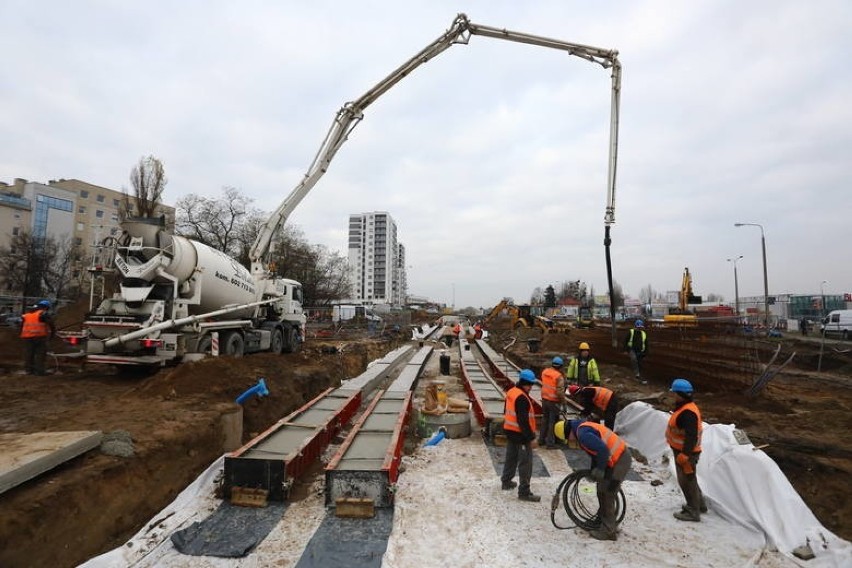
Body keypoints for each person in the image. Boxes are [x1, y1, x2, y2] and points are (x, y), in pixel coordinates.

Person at [554, 418, 632, 541]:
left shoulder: (583, 435)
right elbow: (596, 454)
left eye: (568, 439)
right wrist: (593, 470)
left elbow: (603, 450)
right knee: (601, 489)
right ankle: (602, 520)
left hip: (620, 461)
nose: (570, 442)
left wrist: (600, 470)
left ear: (568, 433)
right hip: (614, 460)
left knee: (608, 493)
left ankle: (609, 531)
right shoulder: (582, 429)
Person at [667, 378, 707, 522]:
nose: (673, 396)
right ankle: (700, 505)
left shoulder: (688, 412)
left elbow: (691, 435)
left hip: (686, 453)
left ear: (680, 394)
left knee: (686, 481)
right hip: (684, 451)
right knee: (690, 479)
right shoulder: (685, 407)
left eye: (674, 393)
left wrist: (685, 454)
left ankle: (692, 511)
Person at [500, 369, 541, 502]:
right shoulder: (522, 398)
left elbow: (506, 411)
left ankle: (506, 481)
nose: (531, 387)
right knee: (525, 463)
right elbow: (523, 421)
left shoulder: (512, 391)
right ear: (524, 383)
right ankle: (524, 492)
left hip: (510, 431)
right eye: (529, 385)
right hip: (521, 435)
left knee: (511, 457)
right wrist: (531, 438)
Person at [19, 300, 56, 376]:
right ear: (46, 307)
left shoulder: (27, 315)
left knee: (29, 354)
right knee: (40, 354)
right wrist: (52, 334)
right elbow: (51, 324)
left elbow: (22, 326)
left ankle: (29, 371)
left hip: (27, 337)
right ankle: (40, 371)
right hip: (39, 337)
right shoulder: (43, 314)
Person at [538, 357, 566, 449]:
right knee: (552, 422)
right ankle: (550, 443)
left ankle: (541, 440)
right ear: (561, 366)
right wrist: (564, 403)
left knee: (545, 420)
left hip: (544, 399)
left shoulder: (545, 372)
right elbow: (560, 392)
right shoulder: (558, 377)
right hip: (553, 402)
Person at [624, 319, 649, 384]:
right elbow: (625, 341)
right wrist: (625, 349)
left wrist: (646, 352)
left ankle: (639, 377)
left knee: (640, 363)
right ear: (635, 326)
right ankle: (637, 373)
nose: (640, 328)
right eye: (638, 327)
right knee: (634, 359)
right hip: (631, 349)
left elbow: (646, 344)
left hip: (640, 351)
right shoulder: (631, 332)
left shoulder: (643, 334)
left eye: (641, 327)